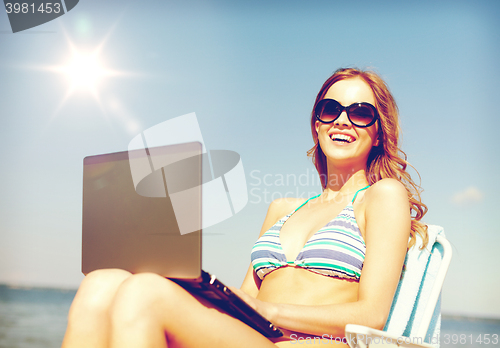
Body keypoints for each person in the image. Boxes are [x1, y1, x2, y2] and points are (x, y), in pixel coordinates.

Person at [61, 67, 428, 348]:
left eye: (361, 112)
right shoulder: (282, 208)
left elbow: (372, 315)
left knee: (144, 293)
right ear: (316, 125)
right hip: (256, 336)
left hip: (310, 343)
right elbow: (248, 298)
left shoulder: (383, 196)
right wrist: (203, 288)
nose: (342, 120)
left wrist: (271, 312)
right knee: (102, 283)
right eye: (330, 110)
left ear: (378, 131)